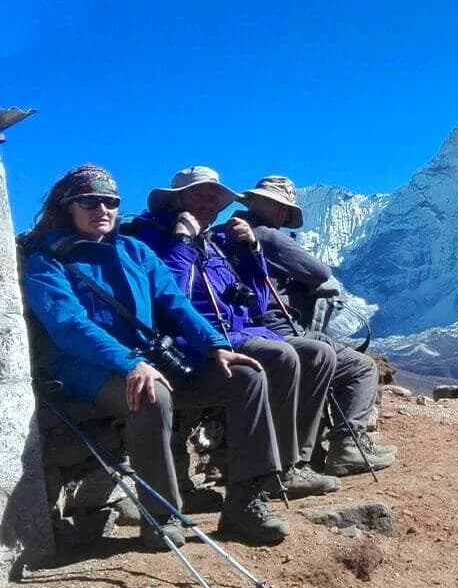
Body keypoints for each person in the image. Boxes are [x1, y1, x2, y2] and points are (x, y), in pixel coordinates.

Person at [20, 165, 290, 548]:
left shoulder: (134, 251)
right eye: (90, 201)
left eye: (110, 202)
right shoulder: (47, 261)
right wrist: (129, 364)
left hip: (149, 359)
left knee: (246, 377)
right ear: (68, 206)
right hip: (86, 368)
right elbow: (68, 327)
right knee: (151, 395)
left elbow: (176, 305)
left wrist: (216, 347)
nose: (103, 209)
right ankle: (160, 515)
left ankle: (246, 503)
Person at [123, 166, 340, 498]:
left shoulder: (215, 243)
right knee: (280, 357)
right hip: (188, 342)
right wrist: (181, 241)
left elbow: (257, 303)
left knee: (318, 354)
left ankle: (295, 462)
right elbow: (165, 298)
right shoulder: (148, 239)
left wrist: (254, 254)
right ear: (176, 199)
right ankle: (267, 474)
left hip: (237, 333)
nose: (209, 204)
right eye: (200, 194)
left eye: (215, 198)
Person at [237, 175, 396, 474]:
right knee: (361, 367)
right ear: (255, 203)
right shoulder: (267, 236)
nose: (281, 213)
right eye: (276, 205)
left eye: (284, 208)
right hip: (277, 330)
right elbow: (319, 272)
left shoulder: (222, 236)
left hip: (244, 332)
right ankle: (347, 447)